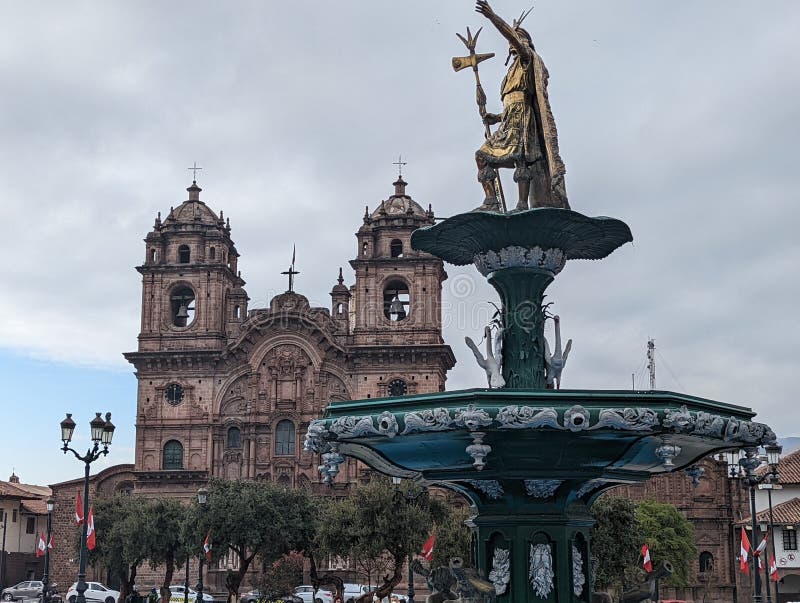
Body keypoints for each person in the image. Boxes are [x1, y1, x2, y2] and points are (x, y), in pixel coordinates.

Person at [473, 0, 569, 213]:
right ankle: (491, 201)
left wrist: (493, 17)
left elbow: (523, 101)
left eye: (518, 38)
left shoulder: (527, 60)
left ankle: (522, 204)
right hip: (510, 119)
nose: (513, 42)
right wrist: (496, 117)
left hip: (524, 119)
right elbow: (512, 104)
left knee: (521, 160)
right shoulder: (510, 72)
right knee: (482, 156)